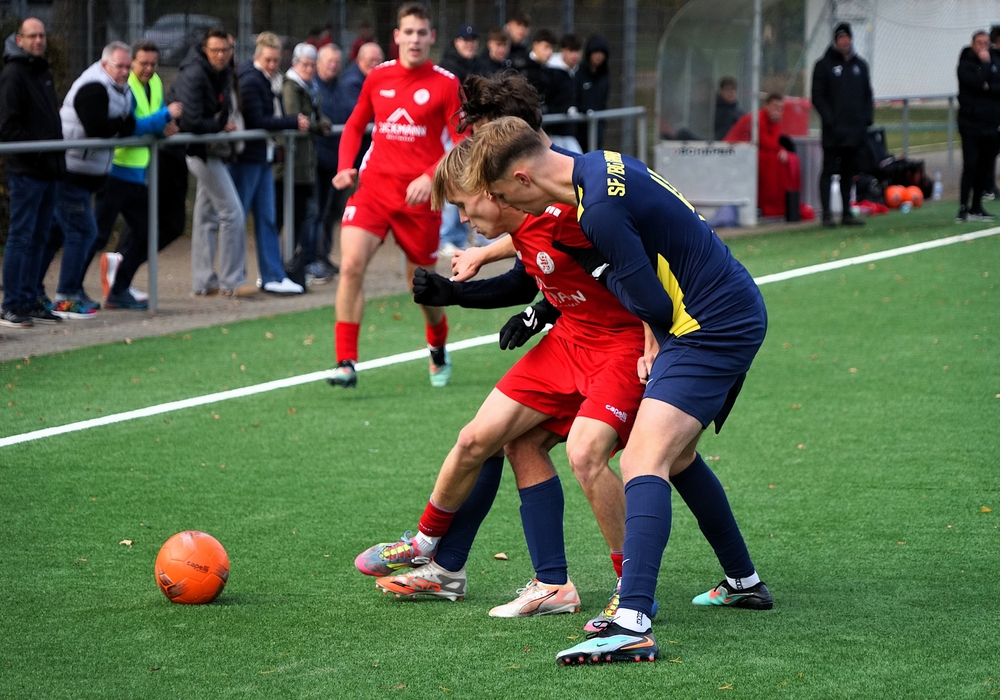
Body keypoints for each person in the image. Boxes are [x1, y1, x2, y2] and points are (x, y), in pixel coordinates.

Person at [466, 116, 772, 665]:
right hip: (721, 308)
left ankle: (632, 620)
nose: (507, 208)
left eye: (502, 196)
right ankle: (743, 582)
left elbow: (651, 303)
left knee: (641, 460)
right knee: (678, 458)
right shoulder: (598, 166)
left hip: (708, 324)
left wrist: (627, 304)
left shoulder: (597, 211)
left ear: (522, 178)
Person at [358, 138, 646, 624]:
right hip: (570, 341)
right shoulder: (519, 219)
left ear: (492, 189)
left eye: (463, 205)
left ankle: (634, 585)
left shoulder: (566, 208)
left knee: (595, 457)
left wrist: (650, 332)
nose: (462, 218)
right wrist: (472, 288)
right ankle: (435, 547)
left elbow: (622, 256)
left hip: (622, 346)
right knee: (484, 439)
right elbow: (527, 263)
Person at [327, 2, 464, 390]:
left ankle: (437, 343)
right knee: (350, 265)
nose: (415, 39)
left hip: (420, 202)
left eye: (422, 32)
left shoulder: (446, 84)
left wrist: (431, 176)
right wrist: (345, 166)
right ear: (397, 36)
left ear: (431, 37)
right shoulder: (378, 77)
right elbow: (355, 125)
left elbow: (463, 143)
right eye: (409, 32)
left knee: (421, 288)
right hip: (373, 190)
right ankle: (345, 362)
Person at [46, 41, 166, 319]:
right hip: (83, 171)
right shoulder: (95, 86)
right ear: (105, 64)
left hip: (108, 171)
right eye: (122, 66)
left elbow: (128, 125)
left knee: (65, 232)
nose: (126, 71)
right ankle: (64, 295)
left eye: (127, 67)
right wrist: (156, 118)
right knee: (85, 232)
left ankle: (53, 291)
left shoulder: (127, 88)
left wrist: (130, 124)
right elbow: (101, 129)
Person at [88, 39, 183, 311]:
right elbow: (130, 128)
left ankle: (119, 288)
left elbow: (152, 122)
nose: (149, 69)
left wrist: (164, 127)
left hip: (138, 172)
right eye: (143, 64)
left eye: (154, 64)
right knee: (96, 235)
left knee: (148, 231)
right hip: (114, 169)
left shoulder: (155, 83)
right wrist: (164, 117)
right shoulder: (123, 84)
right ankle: (69, 290)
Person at [174, 27, 251, 297]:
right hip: (198, 150)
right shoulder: (195, 73)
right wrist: (218, 124)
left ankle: (204, 282)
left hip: (209, 149)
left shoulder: (222, 71)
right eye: (215, 50)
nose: (221, 55)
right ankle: (232, 281)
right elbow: (191, 121)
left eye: (225, 50)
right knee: (232, 213)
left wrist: (218, 121)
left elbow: (222, 110)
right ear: (205, 49)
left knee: (206, 216)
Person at [0, 18, 65, 328]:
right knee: (21, 236)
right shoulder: (13, 74)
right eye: (32, 36)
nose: (39, 40)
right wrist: (39, 150)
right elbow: (8, 126)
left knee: (39, 237)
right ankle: (11, 303)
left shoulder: (42, 72)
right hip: (27, 171)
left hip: (48, 170)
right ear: (20, 39)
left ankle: (29, 299)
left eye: (42, 35)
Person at [232, 31, 308, 295]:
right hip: (248, 158)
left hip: (263, 157)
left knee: (268, 218)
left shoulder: (271, 80)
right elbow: (257, 120)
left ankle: (273, 275)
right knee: (239, 217)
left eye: (276, 60)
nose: (273, 65)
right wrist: (292, 121)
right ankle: (236, 277)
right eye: (268, 60)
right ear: (258, 57)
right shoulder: (251, 80)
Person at [811, 22, 872, 227]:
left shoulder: (860, 66)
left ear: (851, 39)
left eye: (847, 37)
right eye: (840, 38)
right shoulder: (824, 65)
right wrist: (830, 120)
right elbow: (818, 97)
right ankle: (826, 214)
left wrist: (866, 119)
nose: (844, 41)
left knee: (848, 172)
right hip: (833, 132)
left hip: (854, 131)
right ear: (835, 40)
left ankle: (847, 213)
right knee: (828, 171)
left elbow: (867, 95)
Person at [280, 43, 333, 279]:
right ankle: (291, 264)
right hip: (293, 162)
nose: (309, 69)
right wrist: (318, 126)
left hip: (306, 162)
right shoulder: (291, 86)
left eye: (313, 65)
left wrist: (320, 122)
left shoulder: (310, 88)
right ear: (295, 63)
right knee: (296, 215)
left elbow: (317, 117)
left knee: (308, 213)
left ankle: (304, 263)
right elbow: (296, 119)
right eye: (305, 64)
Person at [724, 93, 804, 219]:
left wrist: (781, 149)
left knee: (787, 159)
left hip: (750, 153)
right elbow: (767, 143)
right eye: (775, 107)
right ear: (766, 106)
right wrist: (780, 149)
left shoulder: (773, 122)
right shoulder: (758, 119)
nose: (778, 111)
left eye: (781, 108)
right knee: (773, 161)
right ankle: (772, 205)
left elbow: (772, 143)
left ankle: (784, 203)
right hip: (734, 154)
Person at [956, 30, 1000, 223]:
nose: (983, 46)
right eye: (979, 43)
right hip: (970, 124)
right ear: (973, 44)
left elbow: (996, 85)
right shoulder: (965, 64)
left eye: (986, 43)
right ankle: (963, 208)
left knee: (984, 166)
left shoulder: (995, 61)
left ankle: (977, 207)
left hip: (991, 124)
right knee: (970, 165)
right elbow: (975, 81)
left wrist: (989, 87)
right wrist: (985, 66)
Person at [544, 34, 582, 153]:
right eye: (571, 51)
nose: (574, 55)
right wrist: (565, 110)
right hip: (553, 132)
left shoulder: (578, 72)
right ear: (563, 51)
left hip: (570, 132)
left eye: (577, 51)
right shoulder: (552, 72)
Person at [575, 35, 610, 150]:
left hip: (597, 128)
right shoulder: (579, 73)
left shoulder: (604, 78)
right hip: (579, 130)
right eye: (595, 52)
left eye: (601, 53)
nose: (598, 56)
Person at [713, 76, 744, 141]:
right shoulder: (714, 111)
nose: (731, 92)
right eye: (727, 89)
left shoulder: (739, 113)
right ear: (720, 91)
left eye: (733, 89)